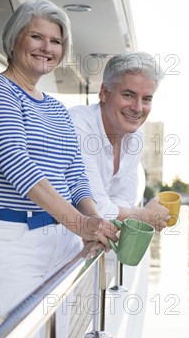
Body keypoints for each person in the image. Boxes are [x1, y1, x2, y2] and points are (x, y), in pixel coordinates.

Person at [0, 0, 118, 338]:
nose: (46, 48)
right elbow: (21, 170)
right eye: (36, 36)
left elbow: (76, 178)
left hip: (59, 243)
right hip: (12, 246)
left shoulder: (56, 110)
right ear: (14, 39)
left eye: (56, 41)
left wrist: (94, 221)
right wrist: (82, 225)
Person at [68, 52, 169, 231]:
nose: (138, 108)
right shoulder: (78, 125)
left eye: (146, 99)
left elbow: (123, 198)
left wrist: (133, 214)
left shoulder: (135, 135)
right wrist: (143, 216)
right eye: (128, 95)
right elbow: (95, 206)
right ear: (105, 93)